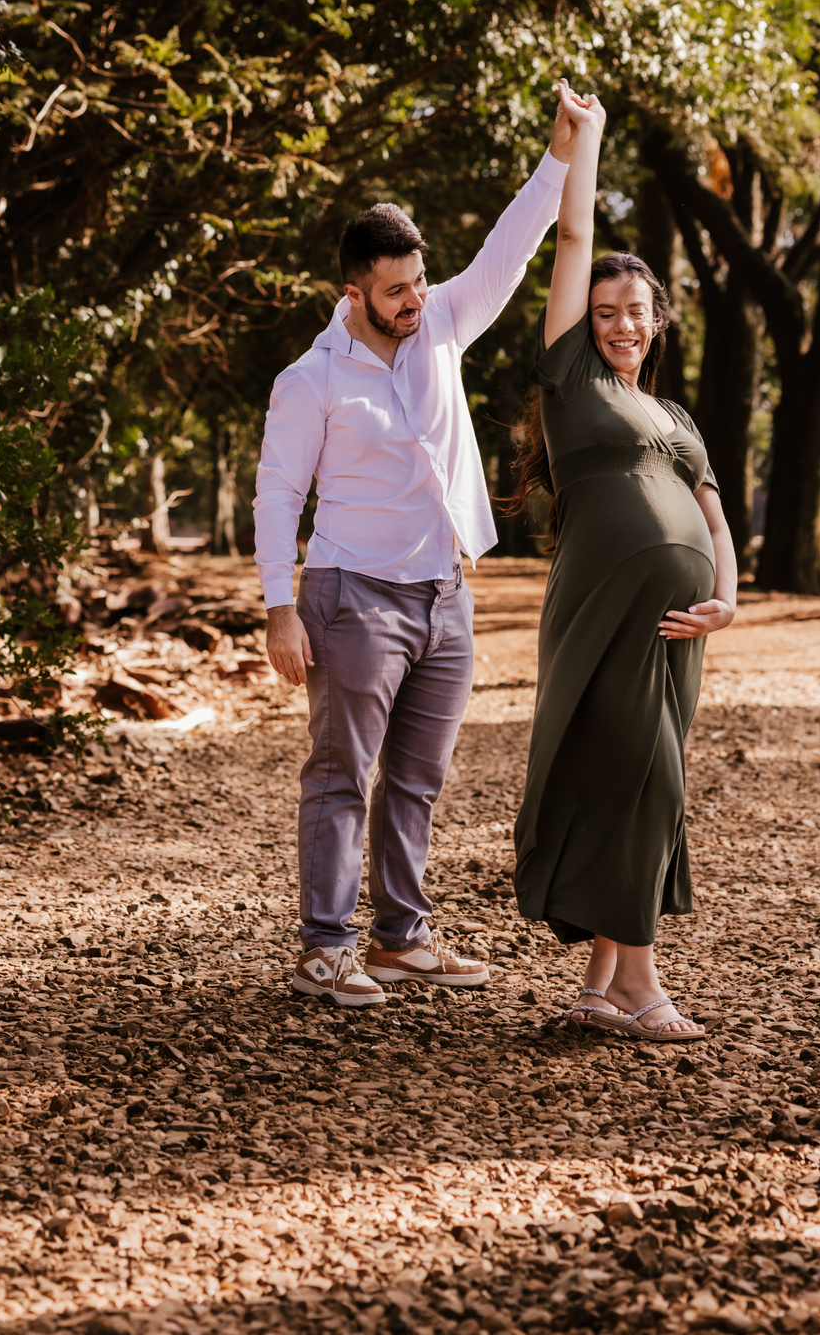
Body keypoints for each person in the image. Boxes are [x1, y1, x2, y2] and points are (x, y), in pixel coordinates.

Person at [254, 108, 578, 1007]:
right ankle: (325, 948)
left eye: (421, 281)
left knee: (418, 780)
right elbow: (277, 497)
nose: (416, 299)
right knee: (340, 777)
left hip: (444, 594)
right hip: (352, 596)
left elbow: (510, 250)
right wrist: (279, 608)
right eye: (396, 289)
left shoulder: (440, 327)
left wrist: (557, 159)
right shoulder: (311, 380)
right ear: (354, 292)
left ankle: (401, 937)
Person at [509, 83, 736, 1043]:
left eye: (636, 311)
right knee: (646, 775)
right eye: (606, 312)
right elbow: (572, 240)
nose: (621, 325)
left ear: (658, 319)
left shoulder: (674, 416)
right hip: (603, 612)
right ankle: (642, 985)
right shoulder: (574, 384)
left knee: (638, 778)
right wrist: (585, 140)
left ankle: (601, 985)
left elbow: (713, 515)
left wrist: (728, 598)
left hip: (680, 627)